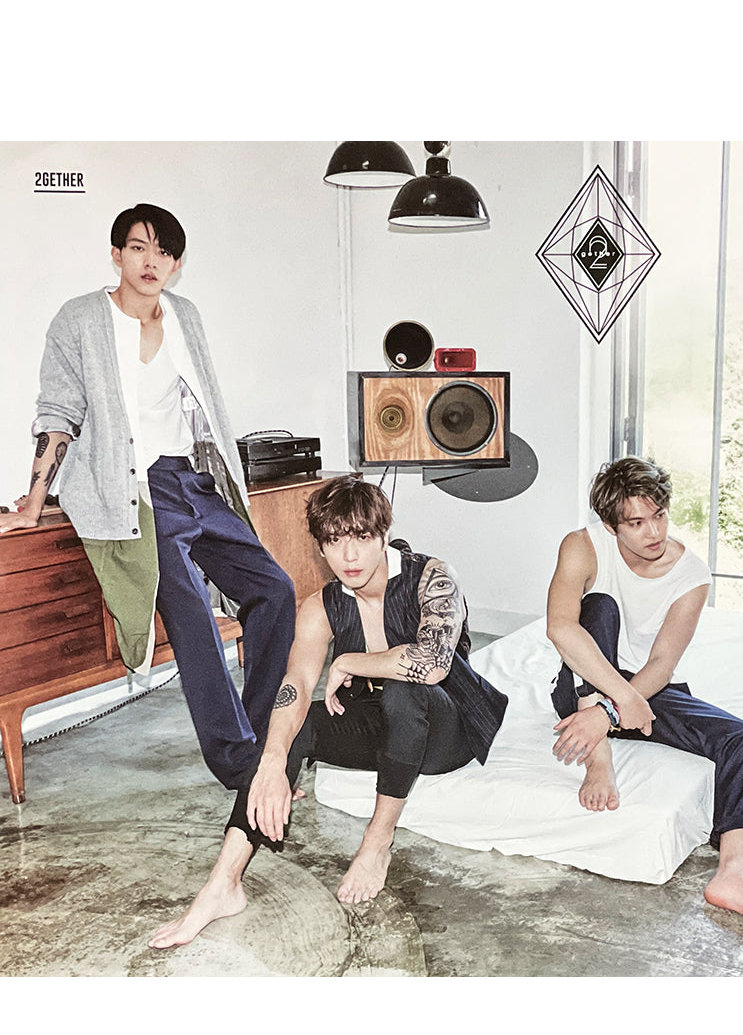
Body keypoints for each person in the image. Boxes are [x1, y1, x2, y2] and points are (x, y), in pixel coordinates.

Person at [0, 202, 295, 796]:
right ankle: (238, 764)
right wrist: (34, 501)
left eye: (163, 251)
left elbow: (204, 403)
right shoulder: (81, 320)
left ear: (176, 263)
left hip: (192, 479)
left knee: (275, 590)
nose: (150, 261)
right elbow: (58, 413)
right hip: (131, 488)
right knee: (190, 610)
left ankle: (265, 742)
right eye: (138, 247)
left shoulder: (185, 316)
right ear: (117, 254)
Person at [149, 476, 509, 948]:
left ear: (384, 535)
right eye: (335, 541)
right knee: (294, 728)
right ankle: (223, 884)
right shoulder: (321, 606)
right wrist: (272, 761)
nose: (350, 556)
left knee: (404, 691)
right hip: (382, 730)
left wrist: (349, 662)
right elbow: (296, 685)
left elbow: (433, 665)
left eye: (362, 538)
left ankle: (377, 842)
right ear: (320, 548)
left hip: (449, 730)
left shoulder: (432, 578)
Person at [546, 456, 743, 929]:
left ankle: (735, 871)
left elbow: (662, 664)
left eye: (659, 515)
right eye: (636, 523)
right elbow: (561, 628)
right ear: (611, 525)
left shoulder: (691, 575)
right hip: (584, 686)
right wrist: (614, 704)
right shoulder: (583, 546)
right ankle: (599, 759)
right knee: (599, 608)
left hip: (646, 690)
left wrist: (615, 707)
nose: (654, 532)